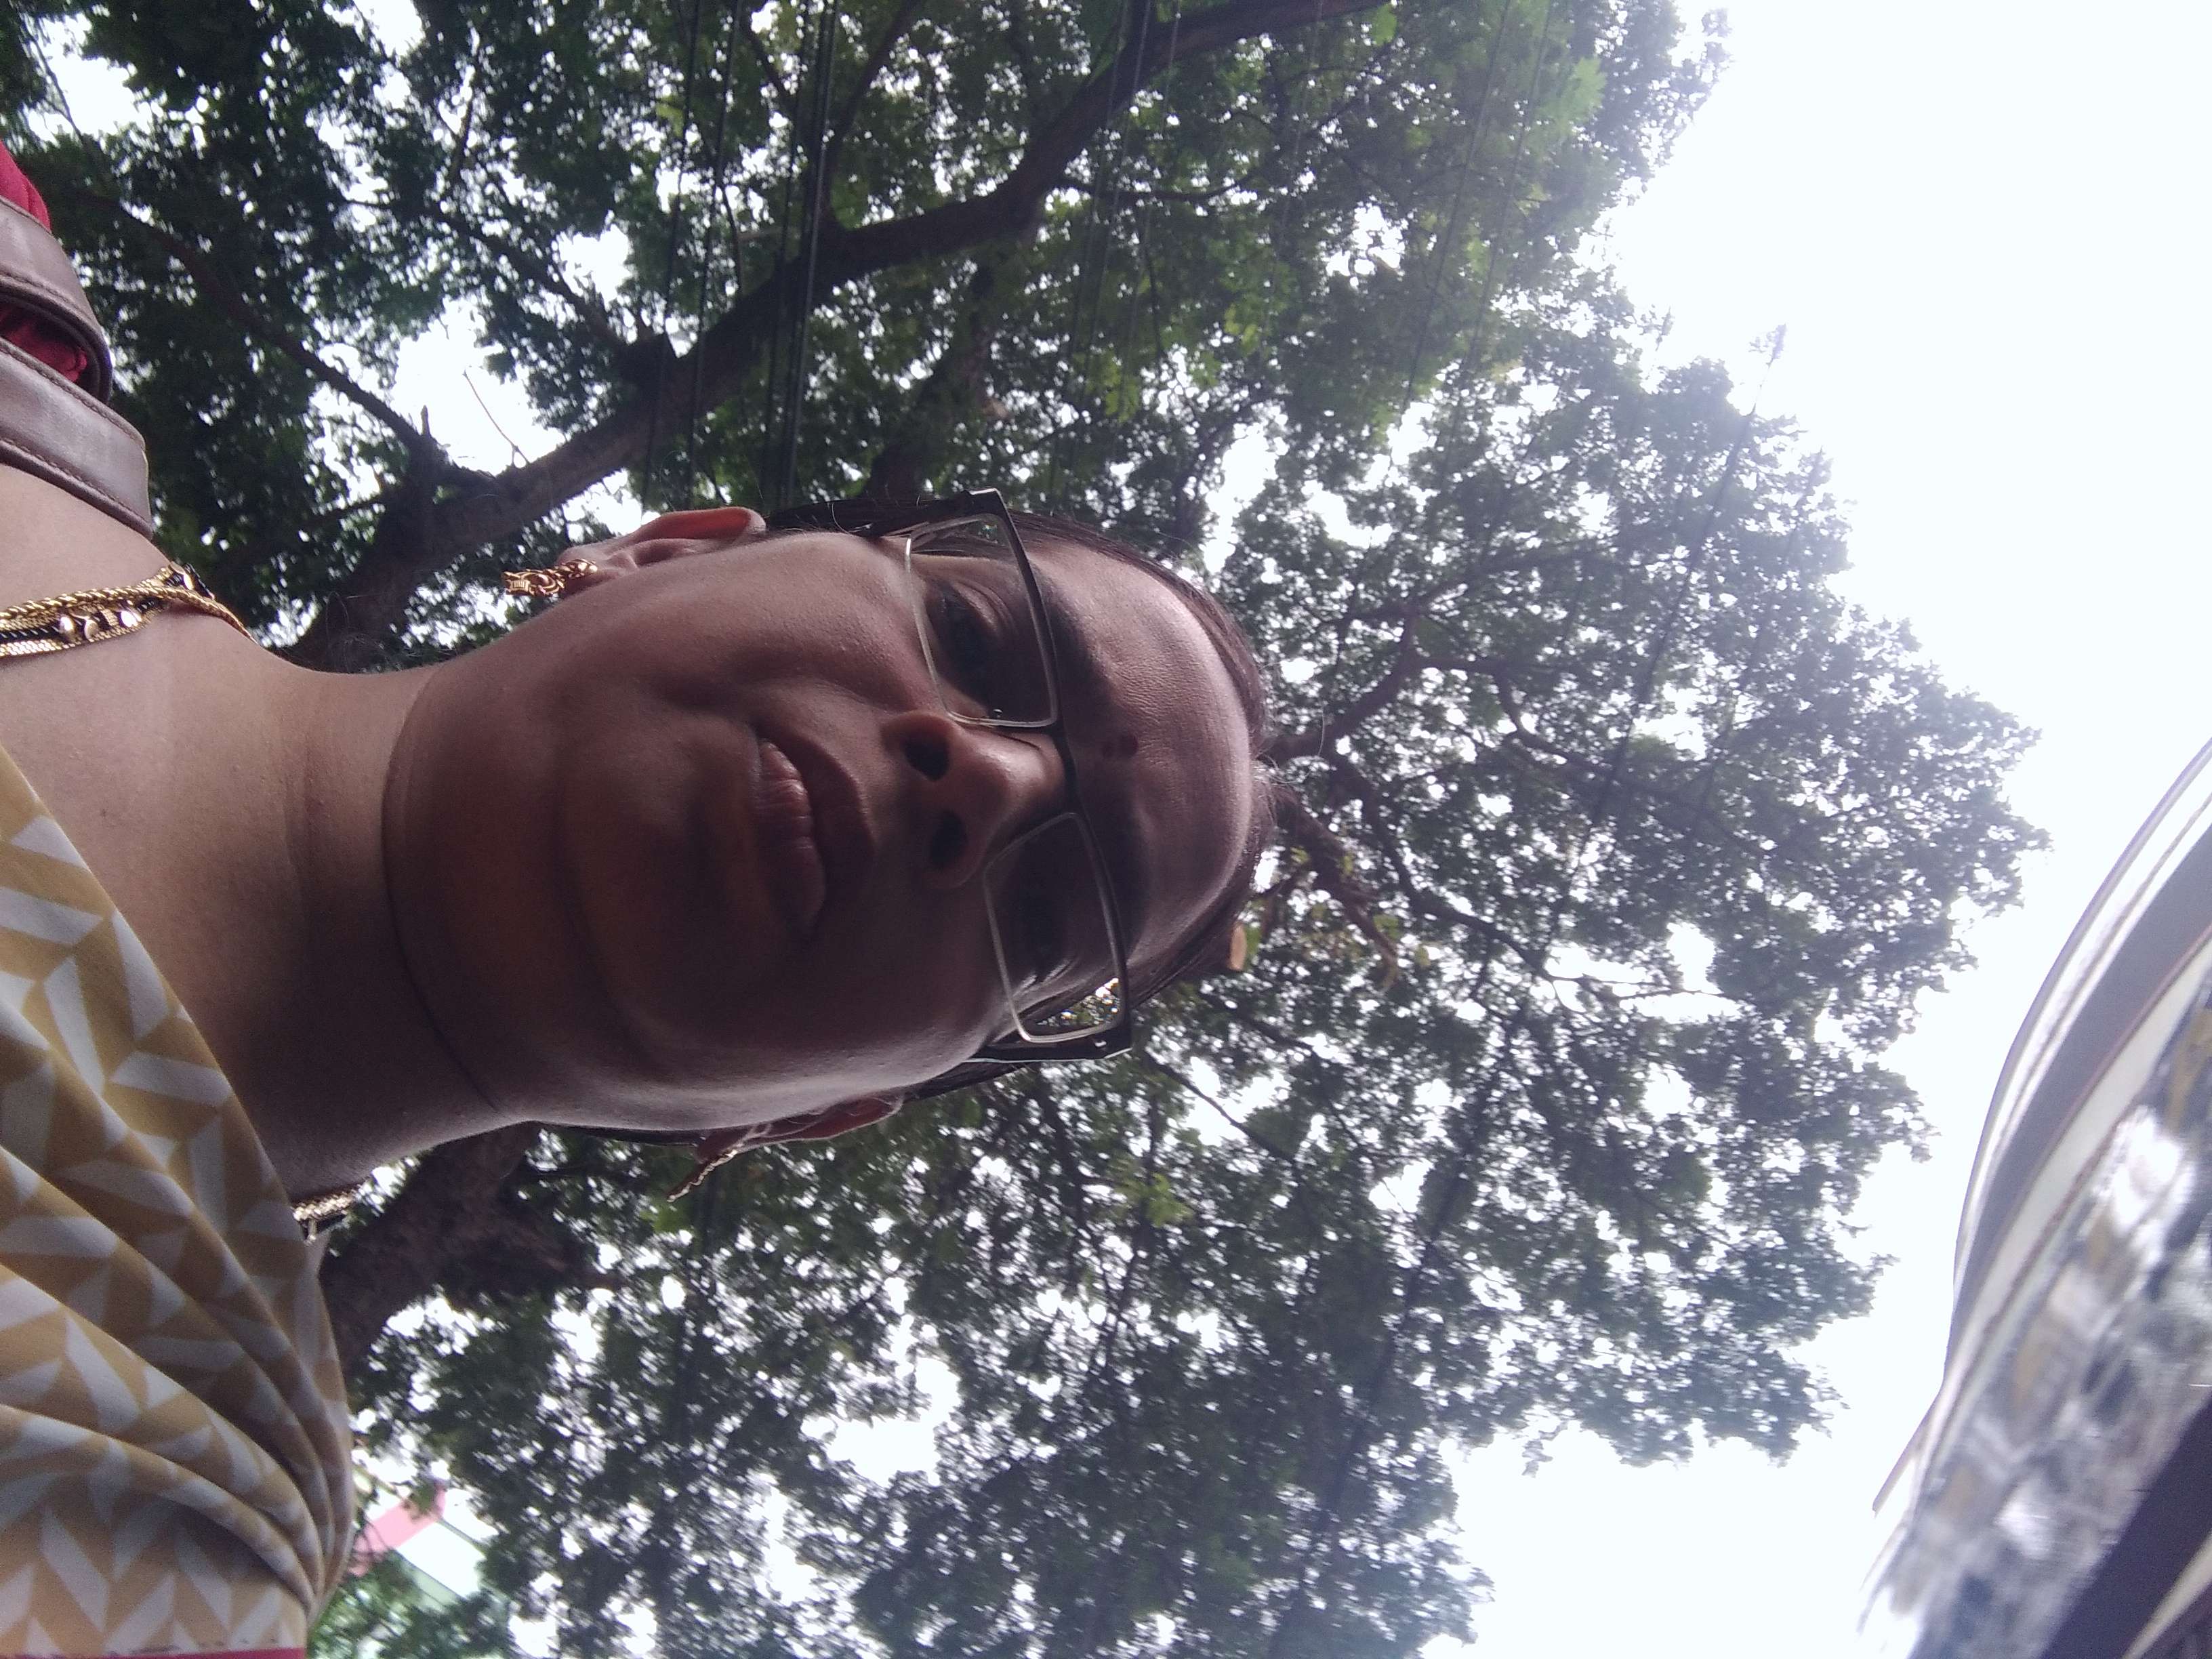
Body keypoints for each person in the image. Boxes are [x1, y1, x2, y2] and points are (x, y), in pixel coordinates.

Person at [0, 144, 1272, 1655]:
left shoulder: (180, 1519)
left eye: (1051, 914)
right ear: (658, 547)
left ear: (823, 1111)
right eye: (978, 639)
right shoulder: (18, 315)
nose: (986, 784)